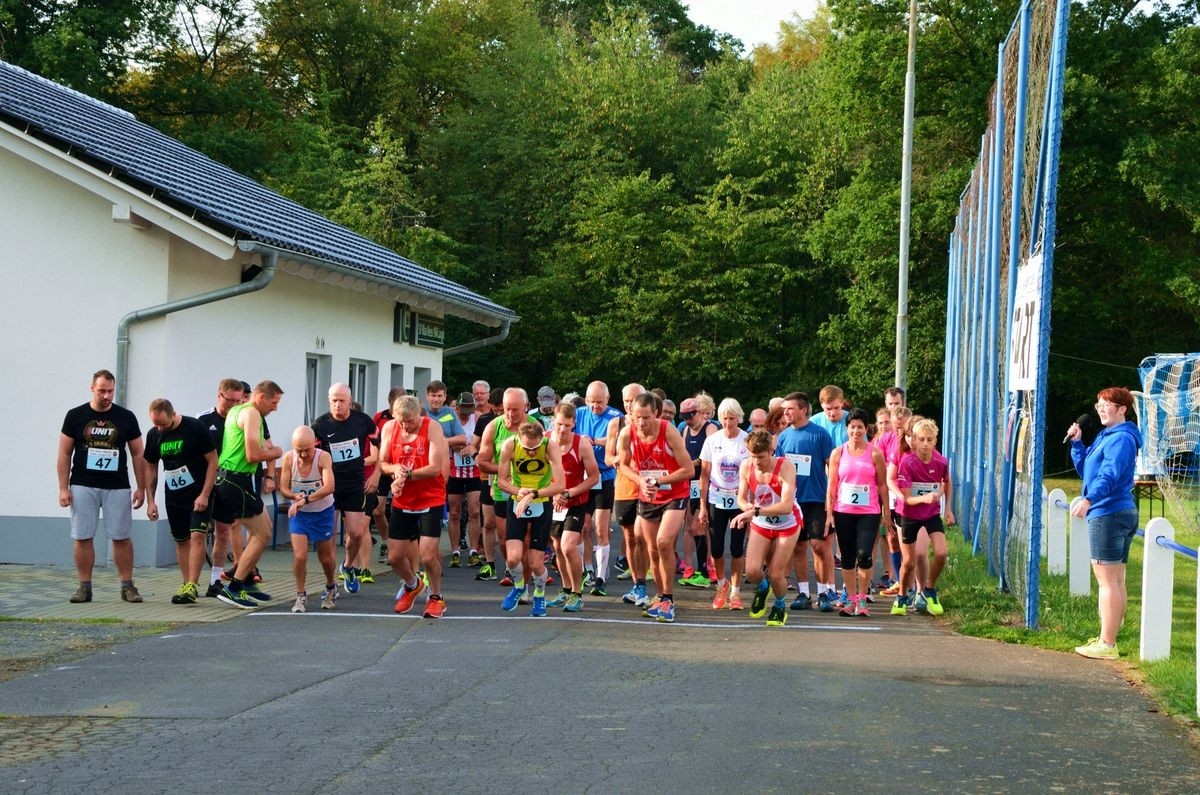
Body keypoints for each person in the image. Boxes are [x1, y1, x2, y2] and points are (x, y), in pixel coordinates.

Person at [58, 369, 147, 604]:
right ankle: (84, 587)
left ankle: (127, 586)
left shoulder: (126, 417)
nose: (106, 396)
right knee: (83, 535)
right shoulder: (75, 415)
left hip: (117, 485)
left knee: (121, 536)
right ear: (92, 389)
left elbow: (138, 453)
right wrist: (63, 488)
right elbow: (64, 453)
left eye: (110, 391)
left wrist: (142, 488)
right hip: (82, 484)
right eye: (101, 391)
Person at [1068, 388, 1142, 659]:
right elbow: (1088, 470)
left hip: (1109, 513)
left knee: (1107, 582)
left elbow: (1109, 475)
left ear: (1122, 409)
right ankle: (1110, 634)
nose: (1100, 408)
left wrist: (1089, 500)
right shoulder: (1108, 435)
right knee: (1117, 580)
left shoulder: (1120, 439)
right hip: (1116, 511)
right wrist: (1078, 444)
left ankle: (1107, 643)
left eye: (1107, 404)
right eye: (1098, 403)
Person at [617, 392, 694, 623]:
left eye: (646, 417)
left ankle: (669, 600)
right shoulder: (627, 433)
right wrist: (641, 481)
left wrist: (659, 481)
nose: (641, 422)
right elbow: (622, 465)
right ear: (631, 414)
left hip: (674, 494)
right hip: (648, 495)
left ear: (656, 414)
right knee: (651, 549)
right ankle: (660, 596)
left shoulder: (668, 431)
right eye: (637, 417)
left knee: (663, 542)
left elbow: (689, 470)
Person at [214, 381, 284, 608]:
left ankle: (244, 583)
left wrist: (269, 450)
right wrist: (277, 452)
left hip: (231, 478)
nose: (275, 408)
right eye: (274, 403)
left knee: (265, 529)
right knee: (262, 534)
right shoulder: (252, 413)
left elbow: (257, 445)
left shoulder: (238, 410)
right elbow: (254, 454)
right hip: (236, 479)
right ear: (261, 397)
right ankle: (234, 587)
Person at [380, 394, 450, 617]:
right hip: (404, 499)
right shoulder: (390, 428)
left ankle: (436, 597)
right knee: (394, 557)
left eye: (409, 421)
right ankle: (412, 584)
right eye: (401, 421)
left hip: (431, 496)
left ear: (419, 414)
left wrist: (405, 474)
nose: (405, 426)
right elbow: (383, 463)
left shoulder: (432, 428)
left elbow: (434, 467)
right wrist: (396, 470)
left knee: (428, 556)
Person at [142, 398, 217, 605]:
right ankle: (186, 584)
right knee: (181, 539)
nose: (159, 428)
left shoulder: (194, 427)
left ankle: (192, 584)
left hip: (199, 492)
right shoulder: (154, 434)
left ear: (173, 414)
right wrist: (151, 501)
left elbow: (213, 461)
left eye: (163, 424)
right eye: (155, 424)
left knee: (197, 536)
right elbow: (150, 466)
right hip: (174, 494)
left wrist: (204, 494)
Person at [311, 383, 379, 594]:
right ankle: (330, 584)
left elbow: (380, 449)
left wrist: (376, 475)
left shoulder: (363, 421)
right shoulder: (320, 425)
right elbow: (312, 457)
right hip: (329, 486)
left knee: (357, 533)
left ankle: (348, 566)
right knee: (328, 536)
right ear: (328, 401)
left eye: (342, 401)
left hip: (354, 484)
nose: (338, 405)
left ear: (350, 401)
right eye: (334, 401)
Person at [496, 420, 565, 616]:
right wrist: (519, 491)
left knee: (535, 563)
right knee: (513, 559)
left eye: (535, 447)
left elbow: (560, 485)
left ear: (541, 439)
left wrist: (534, 494)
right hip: (517, 502)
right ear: (519, 439)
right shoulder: (510, 445)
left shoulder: (549, 446)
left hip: (540, 504)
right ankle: (519, 587)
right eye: (527, 448)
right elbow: (501, 481)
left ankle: (540, 595)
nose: (532, 452)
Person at [826, 408, 890, 617]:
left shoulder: (874, 453)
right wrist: (829, 513)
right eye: (852, 427)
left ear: (866, 429)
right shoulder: (838, 452)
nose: (856, 431)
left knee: (864, 555)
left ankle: (862, 598)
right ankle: (851, 599)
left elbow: (882, 484)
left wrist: (886, 511)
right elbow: (832, 485)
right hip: (843, 511)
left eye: (860, 427)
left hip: (868, 512)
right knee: (847, 557)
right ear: (847, 429)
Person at [775, 392, 835, 611]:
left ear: (803, 409)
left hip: (817, 498)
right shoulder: (783, 437)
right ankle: (803, 593)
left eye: (790, 409)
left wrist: (831, 499)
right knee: (798, 547)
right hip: (793, 502)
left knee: (818, 545)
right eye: (784, 409)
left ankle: (824, 593)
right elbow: (779, 468)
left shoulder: (820, 434)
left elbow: (831, 466)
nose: (786, 413)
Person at [735, 430, 802, 627]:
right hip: (762, 521)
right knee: (753, 571)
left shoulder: (785, 467)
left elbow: (786, 506)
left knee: (775, 573)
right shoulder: (746, 466)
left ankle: (780, 605)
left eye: (761, 457)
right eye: (753, 456)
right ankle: (763, 589)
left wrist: (754, 511)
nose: (757, 462)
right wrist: (746, 507)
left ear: (771, 451)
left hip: (787, 523)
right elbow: (740, 497)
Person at [891, 418, 955, 617]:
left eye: (930, 439)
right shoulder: (907, 463)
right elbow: (908, 499)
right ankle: (901, 596)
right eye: (921, 439)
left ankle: (929, 589)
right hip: (909, 514)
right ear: (914, 441)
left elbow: (947, 482)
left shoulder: (941, 461)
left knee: (942, 553)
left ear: (935, 441)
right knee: (909, 562)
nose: (925, 444)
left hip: (931, 514)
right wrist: (926, 497)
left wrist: (948, 509)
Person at [698, 398, 751, 610]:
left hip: (739, 498)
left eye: (732, 418)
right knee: (717, 548)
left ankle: (736, 592)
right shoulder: (712, 440)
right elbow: (704, 474)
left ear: (739, 417)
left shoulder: (747, 440)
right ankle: (722, 585)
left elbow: (753, 474)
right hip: (716, 498)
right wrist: (702, 506)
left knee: (737, 548)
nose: (728, 423)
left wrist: (750, 503)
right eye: (725, 419)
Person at [279, 426, 338, 612]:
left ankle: (330, 586)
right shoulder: (289, 458)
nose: (304, 455)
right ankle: (300, 595)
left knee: (326, 558)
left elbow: (329, 487)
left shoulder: (323, 457)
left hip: (323, 511)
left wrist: (305, 499)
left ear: (315, 443)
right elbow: (284, 488)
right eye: (299, 450)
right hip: (300, 513)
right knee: (300, 555)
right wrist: (294, 497)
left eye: (308, 450)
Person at [197, 378, 247, 596]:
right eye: (231, 401)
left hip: (229, 484)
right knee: (197, 534)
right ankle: (190, 581)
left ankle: (215, 581)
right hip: (204, 484)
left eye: (239, 401)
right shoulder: (203, 419)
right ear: (219, 396)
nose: (235, 405)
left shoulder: (243, 420)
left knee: (223, 532)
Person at [576, 381, 623, 594]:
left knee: (600, 528)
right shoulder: (578, 414)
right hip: (582, 477)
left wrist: (592, 440)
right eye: (591, 402)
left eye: (599, 402)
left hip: (604, 476)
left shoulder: (615, 416)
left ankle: (601, 577)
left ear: (608, 399)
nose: (595, 406)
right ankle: (587, 569)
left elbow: (615, 441)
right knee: (583, 527)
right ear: (586, 399)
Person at [678, 395, 717, 587]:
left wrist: (690, 465)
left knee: (704, 524)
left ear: (700, 413)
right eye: (684, 417)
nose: (687, 421)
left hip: (706, 481)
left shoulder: (710, 428)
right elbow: (683, 455)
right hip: (690, 481)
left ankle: (709, 566)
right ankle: (692, 566)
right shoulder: (685, 429)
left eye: (690, 416)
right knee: (690, 525)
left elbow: (710, 456)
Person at [447, 392, 483, 568]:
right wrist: (456, 445)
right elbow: (444, 441)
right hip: (454, 470)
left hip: (474, 471)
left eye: (470, 408)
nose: (467, 412)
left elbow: (484, 441)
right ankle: (454, 551)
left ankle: (474, 550)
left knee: (474, 511)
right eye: (464, 408)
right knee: (454, 512)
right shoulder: (451, 418)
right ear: (457, 406)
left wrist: (471, 447)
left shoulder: (477, 418)